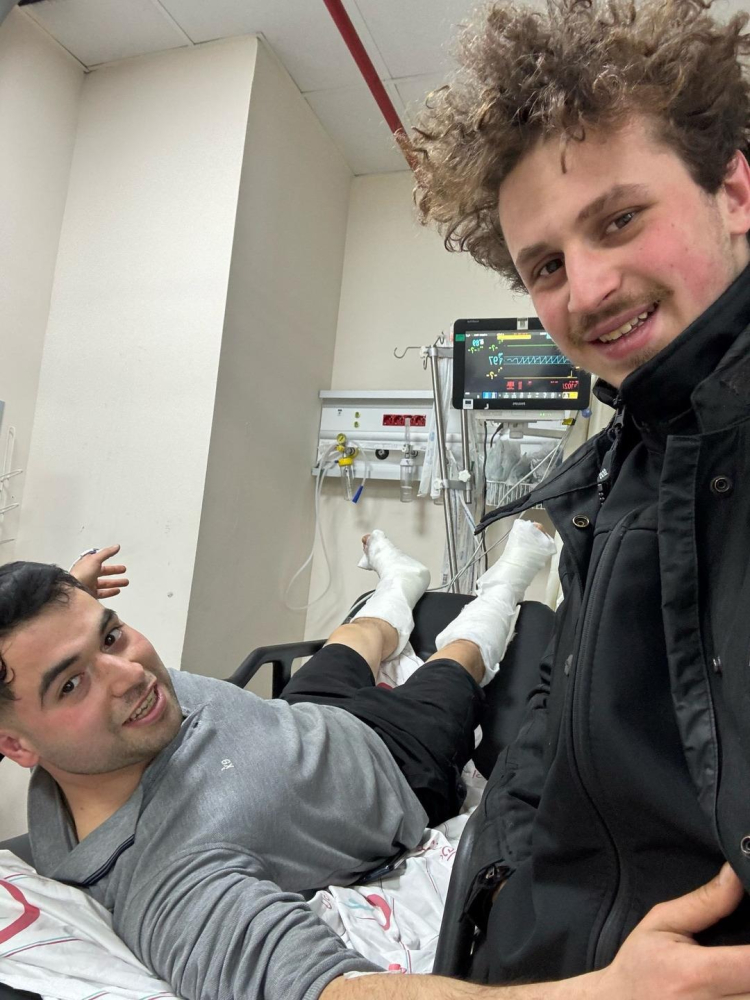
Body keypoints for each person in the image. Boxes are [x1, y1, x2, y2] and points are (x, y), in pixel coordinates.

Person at [0, 521, 555, 1000]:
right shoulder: (170, 883)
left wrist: (75, 594)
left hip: (291, 715)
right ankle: (506, 582)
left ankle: (401, 580)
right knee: (457, 659)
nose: (131, 674)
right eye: (71, 684)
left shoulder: (113, 723)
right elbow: (330, 990)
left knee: (359, 634)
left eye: (112, 636)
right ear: (17, 746)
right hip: (393, 761)